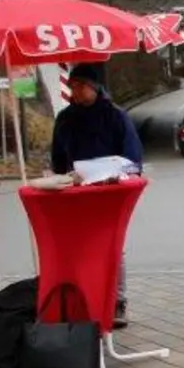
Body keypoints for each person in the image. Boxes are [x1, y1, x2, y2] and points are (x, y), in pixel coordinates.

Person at [50, 62, 144, 329]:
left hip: (109, 193)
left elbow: (133, 160)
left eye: (80, 85)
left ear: (95, 87)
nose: (74, 91)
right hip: (76, 193)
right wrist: (63, 178)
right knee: (79, 248)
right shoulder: (65, 119)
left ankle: (117, 302)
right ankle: (84, 299)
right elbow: (58, 159)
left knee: (113, 248)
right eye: (72, 86)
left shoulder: (116, 117)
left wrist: (114, 173)